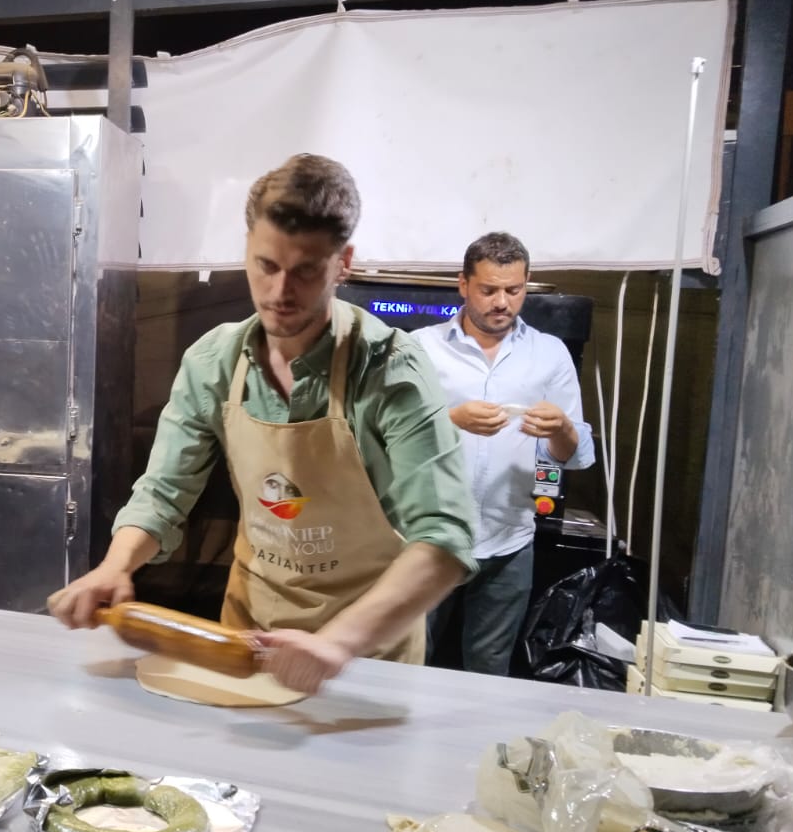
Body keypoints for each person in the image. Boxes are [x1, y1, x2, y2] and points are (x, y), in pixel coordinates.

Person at [49, 154, 476, 696]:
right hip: (246, 637)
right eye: (266, 265)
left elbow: (444, 538)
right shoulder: (213, 362)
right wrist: (117, 565)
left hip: (367, 652)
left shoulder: (391, 367)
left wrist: (337, 644)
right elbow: (162, 494)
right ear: (246, 249)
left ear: (343, 262)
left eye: (305, 271)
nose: (279, 292)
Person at [410, 232, 594, 675]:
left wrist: (562, 429)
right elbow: (381, 434)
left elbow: (576, 454)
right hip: (428, 536)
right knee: (410, 661)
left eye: (514, 290)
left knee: (490, 669)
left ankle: (477, 747)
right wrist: (451, 419)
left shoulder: (549, 354)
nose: (502, 302)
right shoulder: (420, 348)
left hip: (509, 537)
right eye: (489, 290)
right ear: (463, 285)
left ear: (527, 283)